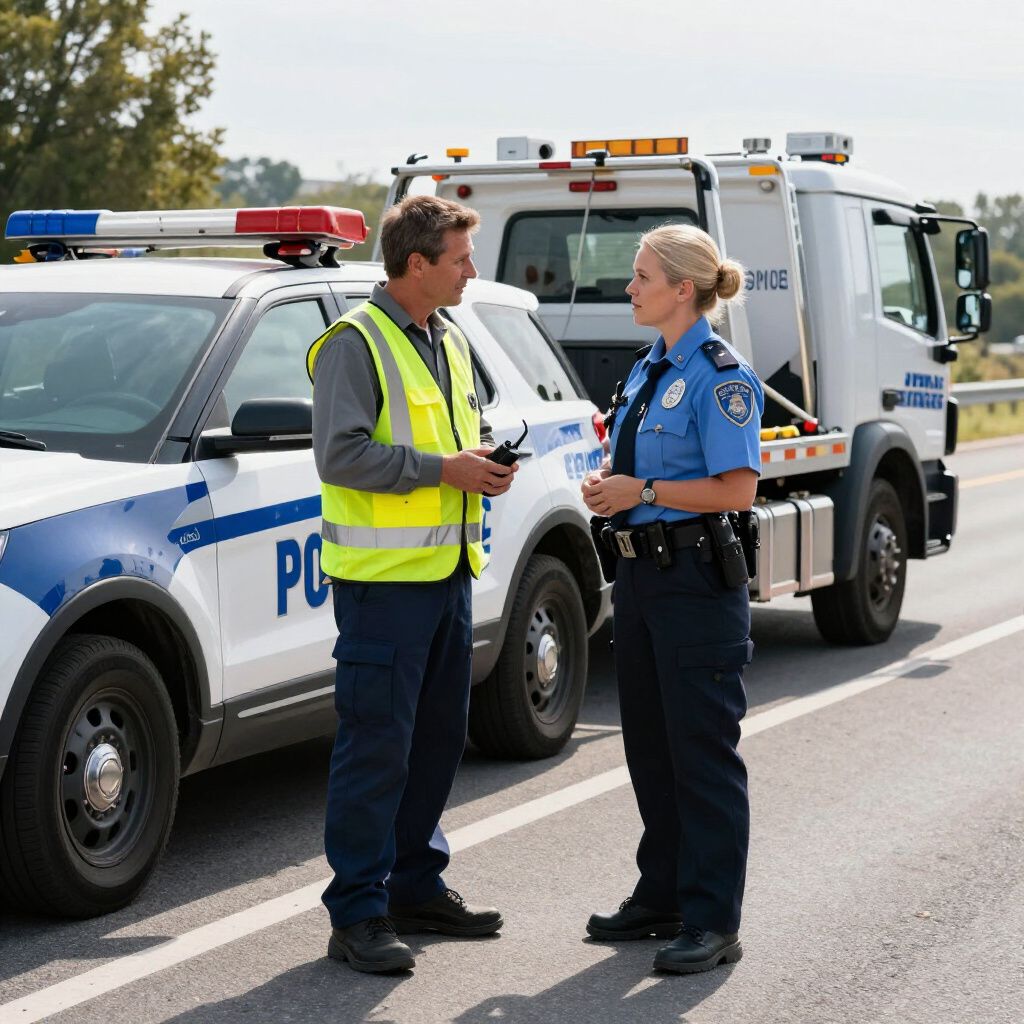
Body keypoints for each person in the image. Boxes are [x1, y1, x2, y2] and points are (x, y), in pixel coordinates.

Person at [307, 195, 518, 974]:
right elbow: (342, 456)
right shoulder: (353, 343)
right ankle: (358, 912)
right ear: (417, 264)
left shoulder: (449, 336)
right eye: (460, 259)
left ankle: (416, 887)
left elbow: (454, 437)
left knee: (433, 743)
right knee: (376, 751)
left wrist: (483, 463)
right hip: (383, 586)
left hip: (447, 574)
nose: (471, 271)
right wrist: (445, 470)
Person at [581, 224, 763, 975]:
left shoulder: (722, 375)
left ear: (682, 289)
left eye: (642, 276)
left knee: (702, 755)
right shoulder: (647, 369)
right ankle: (663, 897)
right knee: (651, 750)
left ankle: (713, 919)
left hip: (694, 582)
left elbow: (738, 488)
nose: (630, 287)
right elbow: (629, 465)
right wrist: (608, 489)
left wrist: (645, 491)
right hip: (641, 577)